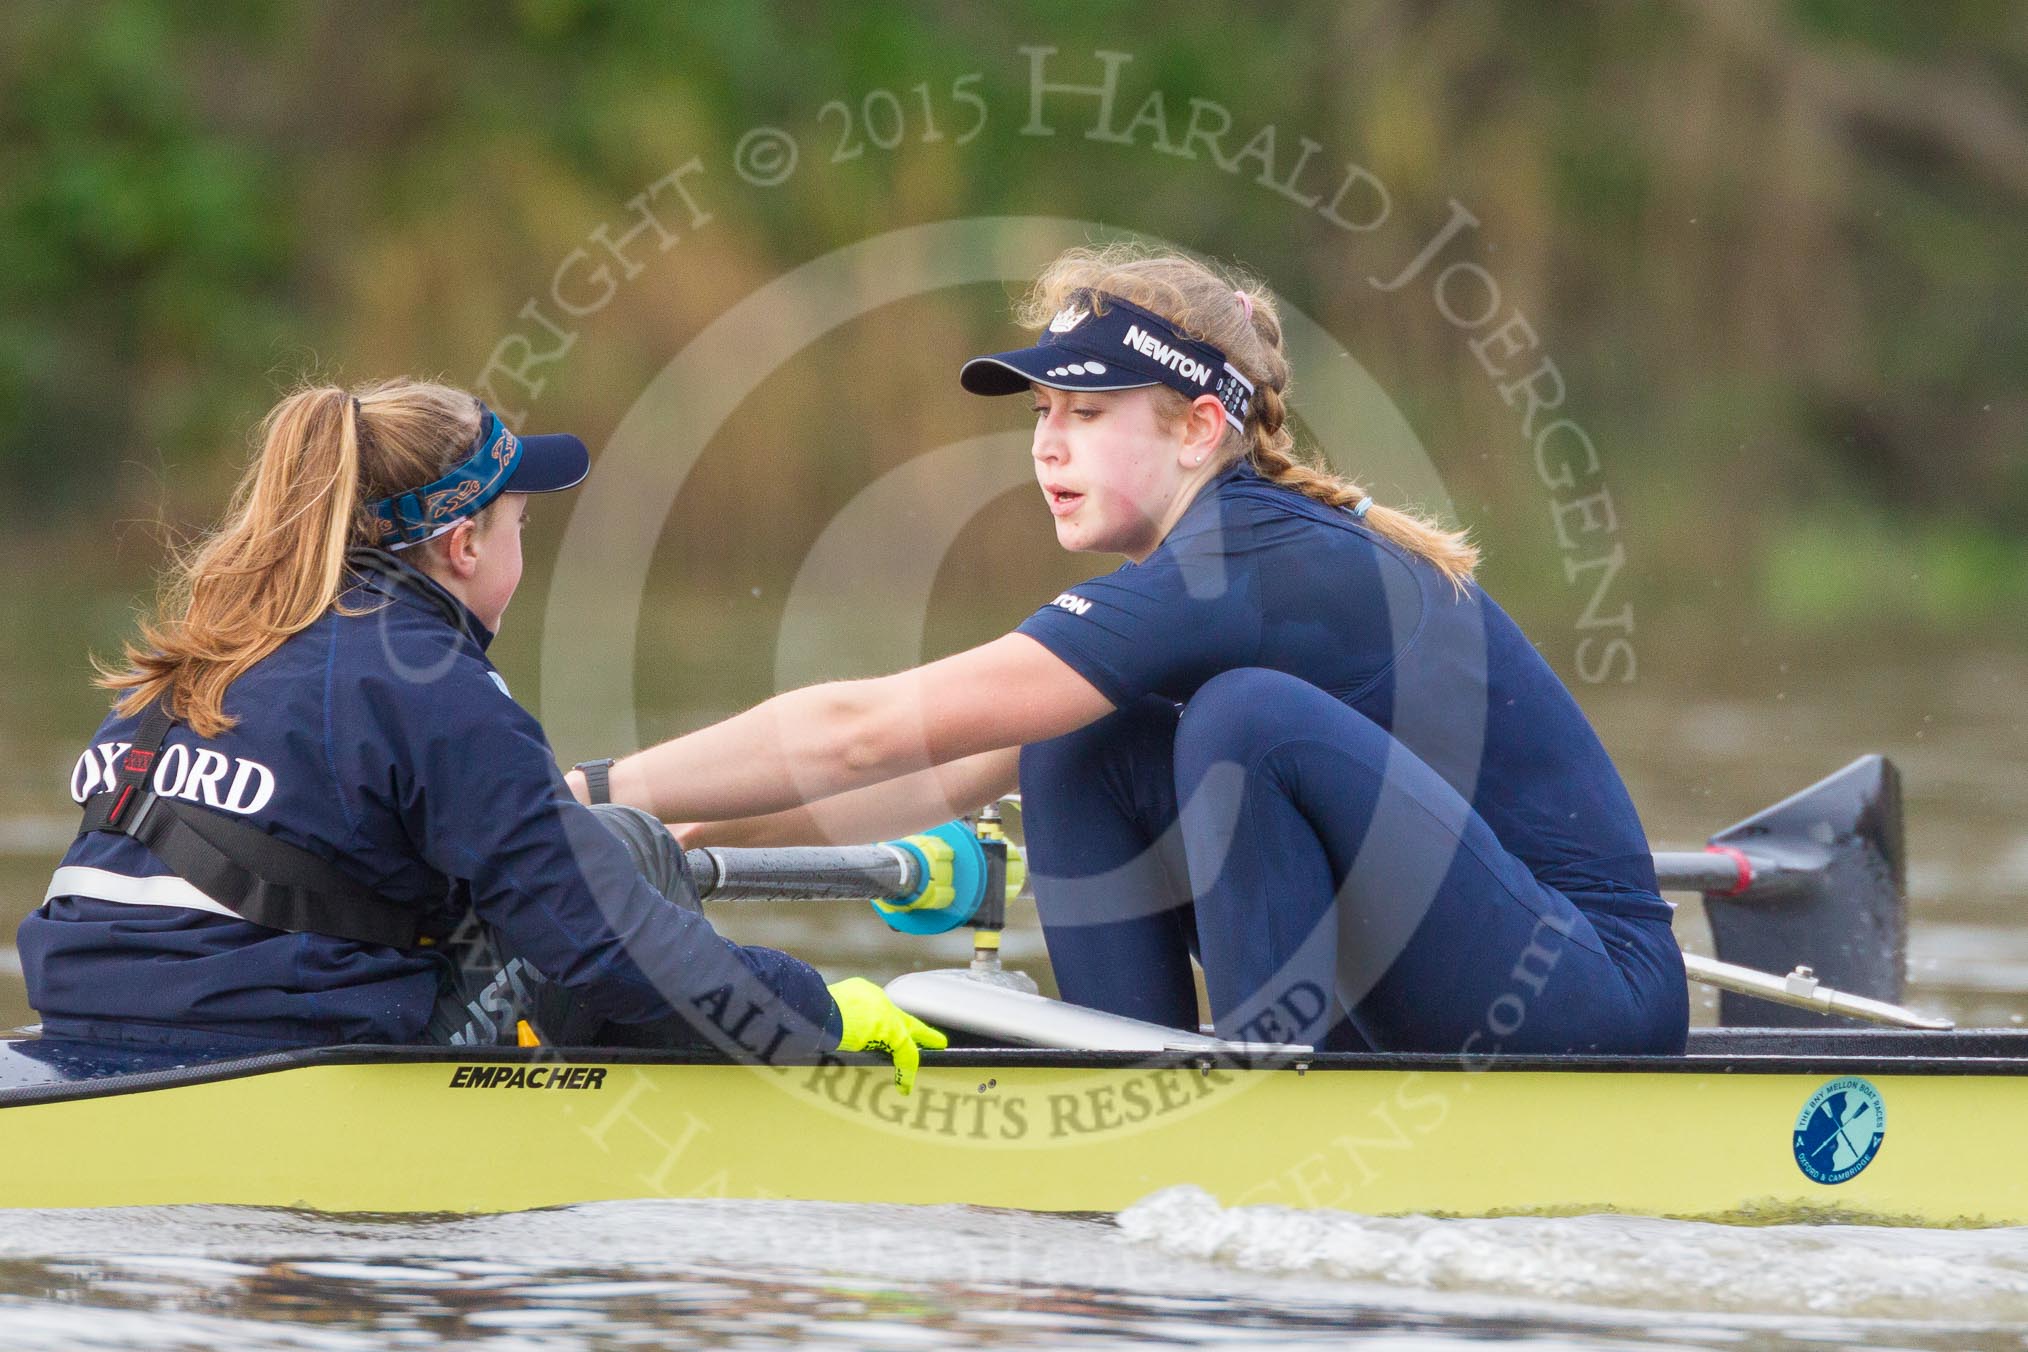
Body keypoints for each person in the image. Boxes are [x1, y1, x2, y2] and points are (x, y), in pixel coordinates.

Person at [570, 245, 1689, 1057]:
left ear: (1201, 425)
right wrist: (670, 835)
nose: (1049, 445)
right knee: (1070, 737)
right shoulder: (1198, 570)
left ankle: (1253, 1101)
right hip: (1452, 964)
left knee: (1245, 719)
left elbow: (863, 726)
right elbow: (924, 771)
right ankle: (1127, 1078)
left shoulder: (1257, 558)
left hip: (1585, 989)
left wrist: (565, 795)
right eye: (1042, 413)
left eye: (1088, 413)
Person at [22, 379, 943, 1089]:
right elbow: (606, 949)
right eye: (519, 527)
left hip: (82, 1033)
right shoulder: (431, 680)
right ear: (464, 546)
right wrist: (810, 1005)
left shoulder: (192, 657)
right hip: (267, 1052)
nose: (521, 554)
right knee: (624, 849)